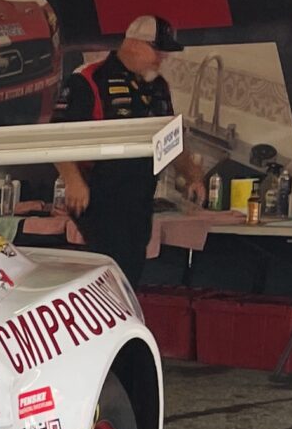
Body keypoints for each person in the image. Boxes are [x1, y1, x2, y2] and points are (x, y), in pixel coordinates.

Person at [52, 14, 200, 288]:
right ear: (133, 44)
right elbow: (57, 136)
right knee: (107, 277)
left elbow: (171, 139)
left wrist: (193, 176)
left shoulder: (158, 87)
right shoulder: (90, 78)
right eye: (157, 50)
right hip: (99, 198)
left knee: (129, 277)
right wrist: (73, 181)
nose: (162, 58)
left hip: (139, 200)